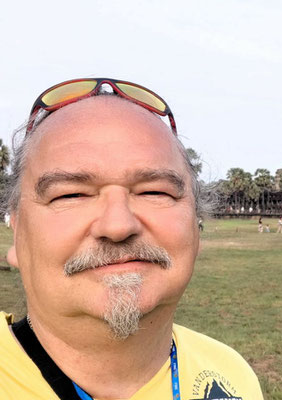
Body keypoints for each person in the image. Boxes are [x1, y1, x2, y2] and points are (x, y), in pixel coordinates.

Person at [0, 78, 262, 399]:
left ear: (196, 228)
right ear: (16, 230)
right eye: (71, 195)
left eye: (154, 191)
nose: (118, 225)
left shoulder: (230, 376)